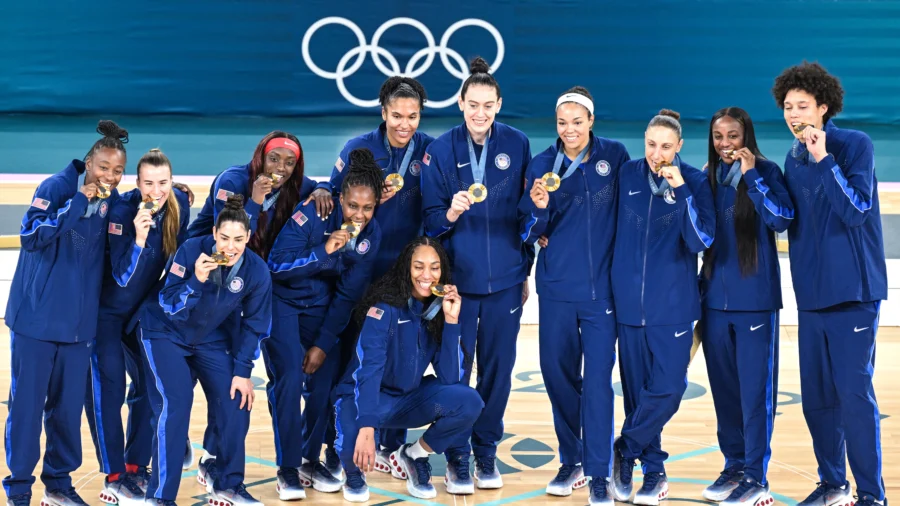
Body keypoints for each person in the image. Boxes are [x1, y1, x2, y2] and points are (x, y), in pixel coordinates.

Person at [772, 61, 888, 506]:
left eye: (803, 105)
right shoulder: (791, 157)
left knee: (854, 398)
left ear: (823, 107)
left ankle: (871, 496)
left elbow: (856, 211)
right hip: (812, 297)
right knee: (817, 400)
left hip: (854, 295)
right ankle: (833, 484)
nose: (794, 114)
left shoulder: (853, 145)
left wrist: (824, 159)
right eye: (787, 106)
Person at [422, 56, 533, 493]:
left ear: (499, 104)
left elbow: (526, 216)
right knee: (455, 373)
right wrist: (449, 212)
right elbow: (429, 222)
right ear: (460, 103)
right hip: (457, 284)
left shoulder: (518, 144)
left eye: (488, 105)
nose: (480, 113)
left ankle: (485, 451)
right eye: (473, 105)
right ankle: (456, 456)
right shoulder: (441, 150)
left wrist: (524, 270)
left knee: (498, 371)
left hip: (505, 281)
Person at [4, 120, 129, 506]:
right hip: (36, 323)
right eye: (103, 166)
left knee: (67, 412)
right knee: (26, 411)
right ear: (88, 162)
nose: (109, 175)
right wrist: (77, 204)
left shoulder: (112, 199)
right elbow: (30, 237)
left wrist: (176, 195)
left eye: (117, 170)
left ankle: (58, 485)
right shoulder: (57, 187)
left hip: (78, 329)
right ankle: (20, 490)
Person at [518, 86, 629, 505]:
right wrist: (539, 209)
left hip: (601, 294)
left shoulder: (614, 157)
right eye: (562, 122)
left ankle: (599, 472)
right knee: (557, 375)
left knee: (598, 383)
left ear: (591, 122)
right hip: (557, 292)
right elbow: (526, 231)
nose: (569, 130)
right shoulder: (542, 164)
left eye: (577, 122)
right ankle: (573, 458)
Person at [325, 76, 435, 476]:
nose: (405, 124)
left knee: (395, 363)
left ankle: (389, 446)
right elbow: (334, 197)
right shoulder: (359, 149)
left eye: (413, 116)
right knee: (350, 363)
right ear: (383, 112)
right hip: (358, 272)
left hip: (404, 279)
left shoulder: (429, 151)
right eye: (397, 115)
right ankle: (336, 446)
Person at [609, 109, 716, 505]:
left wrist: (682, 188)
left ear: (680, 147)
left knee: (669, 389)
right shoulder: (628, 175)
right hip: (627, 307)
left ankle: (625, 447)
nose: (658, 154)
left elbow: (700, 240)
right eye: (652, 145)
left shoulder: (697, 181)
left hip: (672, 307)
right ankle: (653, 472)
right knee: (637, 394)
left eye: (666, 146)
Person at [264, 149, 383, 499]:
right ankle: (286, 469)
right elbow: (276, 265)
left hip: (321, 307)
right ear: (339, 198)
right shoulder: (315, 211)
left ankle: (307, 458)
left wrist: (322, 344)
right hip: (281, 302)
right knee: (288, 377)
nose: (359, 216)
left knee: (323, 382)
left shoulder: (371, 235)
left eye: (368, 208)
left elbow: (348, 296)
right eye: (352, 206)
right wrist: (323, 252)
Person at [137, 194, 271, 506]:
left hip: (208, 339)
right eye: (224, 238)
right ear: (214, 234)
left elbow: (255, 326)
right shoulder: (190, 250)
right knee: (177, 403)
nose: (231, 247)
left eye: (239, 239)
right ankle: (160, 496)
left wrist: (242, 373)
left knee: (238, 399)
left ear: (249, 238)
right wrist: (196, 281)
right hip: (163, 333)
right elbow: (169, 305)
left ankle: (227, 484)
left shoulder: (256, 271)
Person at [333, 237, 483, 502]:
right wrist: (367, 428)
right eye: (418, 266)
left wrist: (451, 321)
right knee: (351, 448)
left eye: (434, 268)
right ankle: (352, 473)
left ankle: (413, 454)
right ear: (406, 268)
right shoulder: (383, 309)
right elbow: (368, 370)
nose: (427, 275)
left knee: (468, 401)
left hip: (408, 401)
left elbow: (450, 378)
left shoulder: (437, 311)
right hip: (366, 399)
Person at [85, 149, 192, 506]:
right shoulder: (121, 212)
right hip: (105, 314)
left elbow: (179, 262)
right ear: (137, 182)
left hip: (139, 314)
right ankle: (115, 475)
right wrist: (140, 239)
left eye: (162, 183)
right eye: (148, 183)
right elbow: (121, 276)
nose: (156, 191)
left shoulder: (179, 204)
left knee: (150, 386)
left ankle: (135, 465)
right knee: (109, 390)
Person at [698, 108, 794, 505]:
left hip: (755, 303)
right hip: (713, 306)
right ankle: (734, 465)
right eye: (719, 136)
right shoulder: (706, 176)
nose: (725, 144)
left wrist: (752, 176)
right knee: (725, 393)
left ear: (746, 137)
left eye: (733, 136)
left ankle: (756, 476)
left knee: (755, 395)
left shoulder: (767, 172)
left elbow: (781, 220)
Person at [186, 131, 332, 242]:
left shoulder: (294, 183)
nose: (280, 167)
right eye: (273, 159)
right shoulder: (231, 182)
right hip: (209, 251)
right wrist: (255, 202)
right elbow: (230, 236)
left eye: (289, 163)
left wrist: (323, 189)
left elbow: (319, 186)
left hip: (254, 259)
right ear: (261, 157)